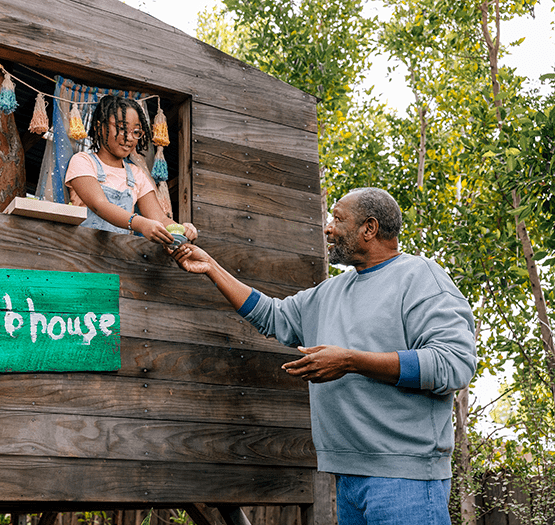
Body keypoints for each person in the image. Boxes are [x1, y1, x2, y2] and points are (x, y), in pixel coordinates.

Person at [171, 187, 476, 524]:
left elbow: (454, 364)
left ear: (369, 228)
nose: (328, 228)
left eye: (338, 219)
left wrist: (351, 361)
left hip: (407, 480)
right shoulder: (331, 291)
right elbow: (272, 315)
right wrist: (212, 267)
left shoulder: (420, 277)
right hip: (347, 477)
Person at [65, 95, 196, 244]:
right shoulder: (83, 161)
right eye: (122, 128)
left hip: (120, 255)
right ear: (99, 127)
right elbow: (99, 205)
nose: (130, 138)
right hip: (81, 254)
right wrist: (141, 224)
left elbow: (159, 218)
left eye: (136, 132)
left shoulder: (136, 174)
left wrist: (181, 229)